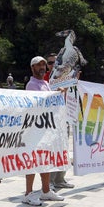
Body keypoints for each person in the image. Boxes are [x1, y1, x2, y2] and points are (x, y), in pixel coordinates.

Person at [22, 56, 66, 206]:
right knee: (33, 161)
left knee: (45, 159)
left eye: (43, 65)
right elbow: (39, 103)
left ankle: (46, 190)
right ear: (32, 68)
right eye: (38, 65)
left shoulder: (45, 83)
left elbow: (50, 102)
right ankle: (28, 193)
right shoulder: (31, 84)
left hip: (45, 128)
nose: (42, 67)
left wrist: (58, 93)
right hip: (35, 128)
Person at [43, 52, 74, 189]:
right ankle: (49, 181)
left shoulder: (66, 77)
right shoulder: (44, 79)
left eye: (56, 62)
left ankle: (60, 179)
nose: (53, 65)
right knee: (51, 150)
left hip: (63, 118)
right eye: (50, 63)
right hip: (49, 120)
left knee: (63, 148)